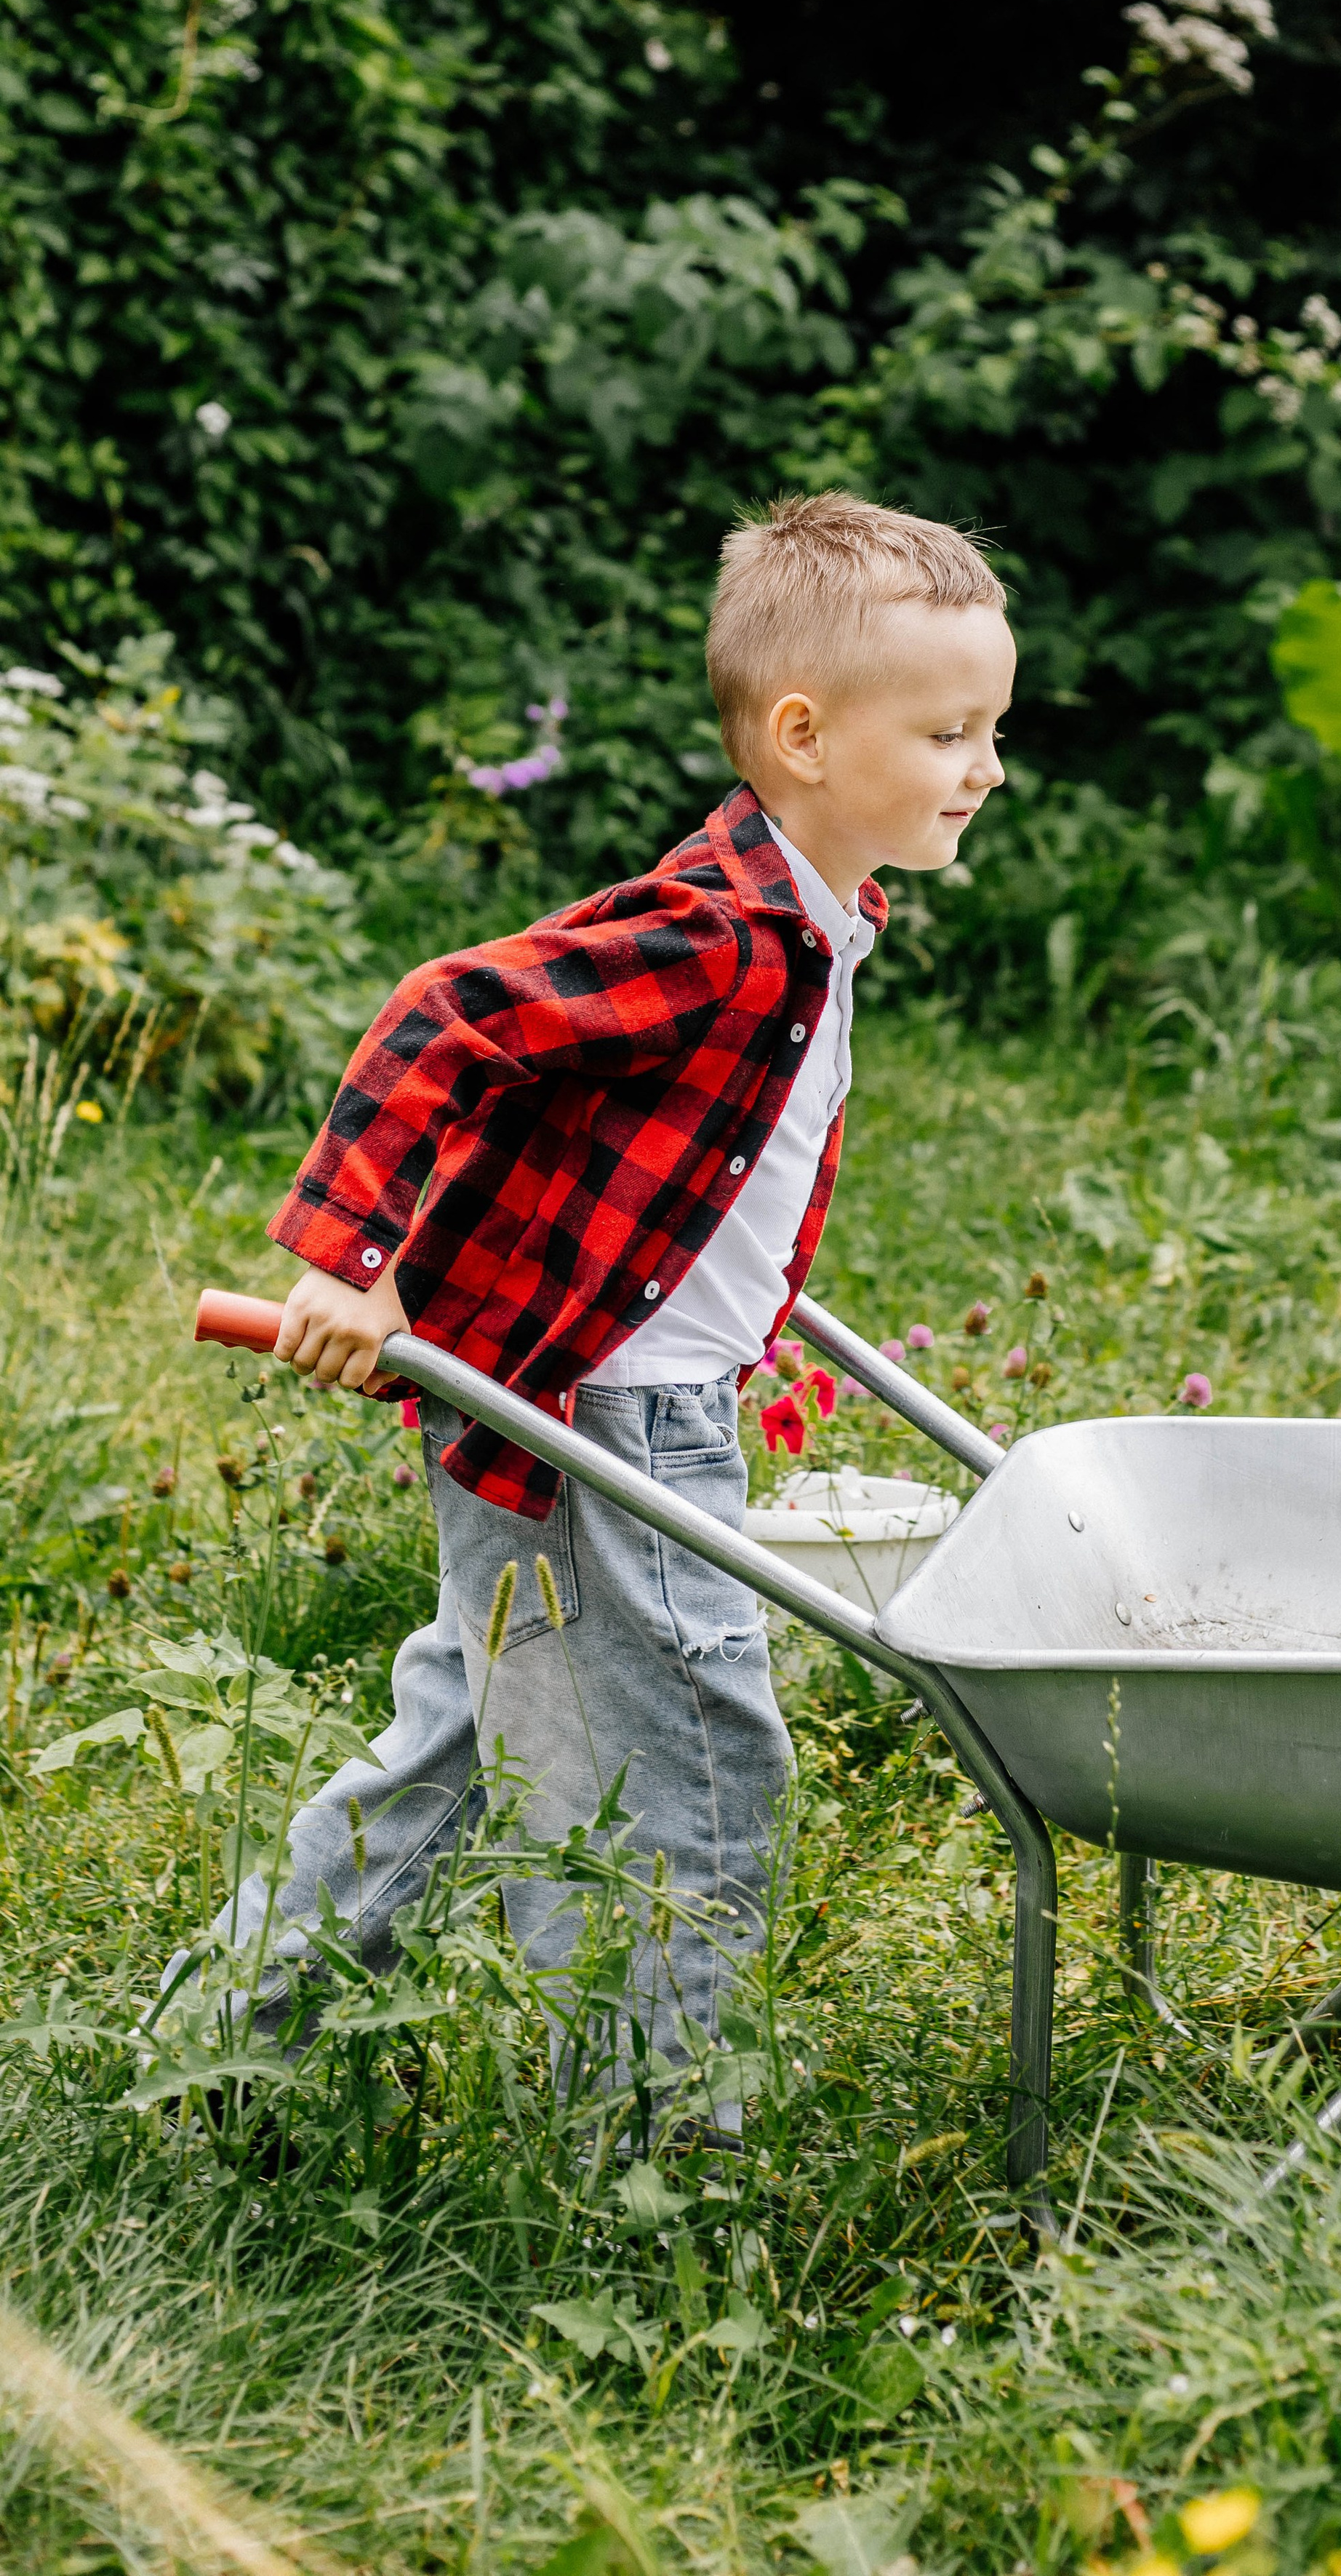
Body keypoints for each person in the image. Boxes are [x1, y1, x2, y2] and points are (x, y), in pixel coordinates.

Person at [169, 491, 1012, 2138]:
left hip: (604, 1390)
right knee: (695, 1765)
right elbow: (446, 1019)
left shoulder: (815, 917)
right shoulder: (729, 936)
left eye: (989, 728)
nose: (984, 766)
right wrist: (352, 1259)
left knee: (466, 1742)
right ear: (805, 735)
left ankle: (222, 2043)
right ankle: (650, 2147)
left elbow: (654, 1156)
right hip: (601, 1418)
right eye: (950, 731)